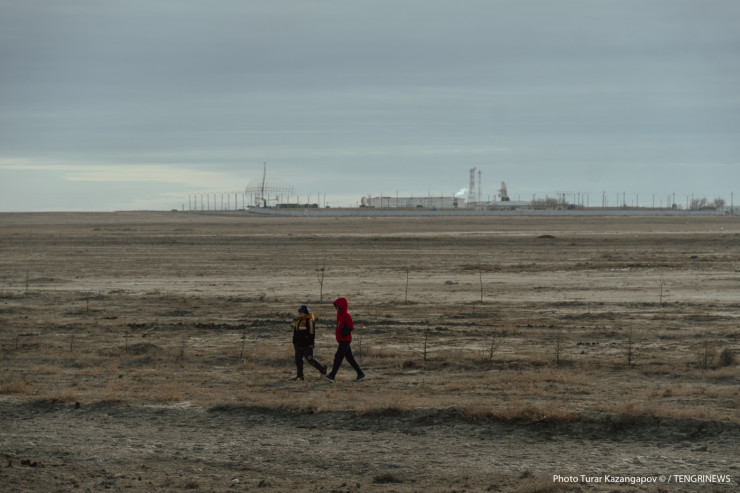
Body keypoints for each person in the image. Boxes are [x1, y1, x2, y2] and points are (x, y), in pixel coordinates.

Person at [323, 297, 366, 383]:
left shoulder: (346, 315)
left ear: (342, 306)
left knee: (338, 357)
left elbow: (350, 327)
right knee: (350, 358)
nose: (337, 307)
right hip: (343, 340)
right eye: (336, 306)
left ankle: (332, 376)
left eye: (338, 306)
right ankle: (361, 374)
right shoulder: (340, 314)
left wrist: (343, 333)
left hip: (345, 340)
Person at [292, 305, 327, 380]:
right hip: (298, 345)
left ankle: (322, 369)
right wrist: (294, 342)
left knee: (310, 359)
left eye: (301, 312)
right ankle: (300, 376)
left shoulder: (310, 321)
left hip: (307, 345)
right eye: (299, 312)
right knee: (298, 360)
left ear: (305, 313)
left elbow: (312, 333)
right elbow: (295, 333)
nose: (300, 313)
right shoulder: (298, 321)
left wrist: (311, 344)